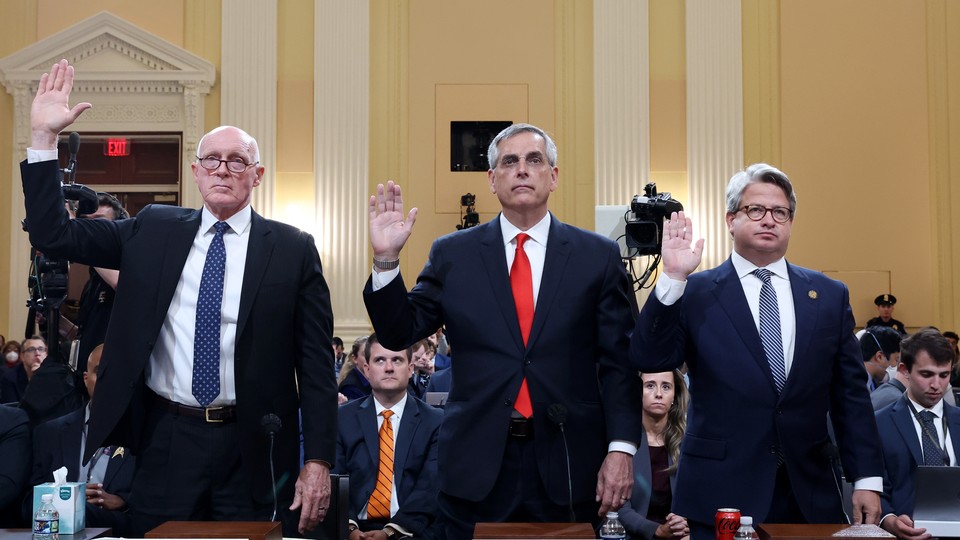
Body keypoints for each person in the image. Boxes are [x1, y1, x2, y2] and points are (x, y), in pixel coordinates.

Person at [20, 59, 337, 536]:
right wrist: (44, 141)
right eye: (212, 159)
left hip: (251, 443)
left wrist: (317, 461)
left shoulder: (293, 248)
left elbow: (315, 366)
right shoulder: (153, 229)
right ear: (196, 170)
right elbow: (53, 232)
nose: (223, 170)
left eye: (237, 161)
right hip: (166, 437)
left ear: (257, 174)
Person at [364, 123, 641, 538]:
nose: (522, 170)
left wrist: (620, 449)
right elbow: (399, 331)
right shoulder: (452, 254)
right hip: (476, 466)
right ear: (493, 180)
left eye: (535, 160)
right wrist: (386, 261)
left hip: (569, 460)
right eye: (510, 162)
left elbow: (619, 363)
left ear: (554, 175)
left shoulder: (597, 256)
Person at [629, 163, 884, 537]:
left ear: (791, 222)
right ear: (731, 220)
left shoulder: (829, 296)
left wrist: (867, 478)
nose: (769, 220)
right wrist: (671, 278)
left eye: (780, 212)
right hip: (718, 492)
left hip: (807, 491)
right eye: (755, 210)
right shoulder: (696, 291)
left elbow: (851, 397)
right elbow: (650, 358)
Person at [334, 334, 442, 539]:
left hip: (410, 531)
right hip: (352, 528)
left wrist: (391, 531)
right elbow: (335, 480)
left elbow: (430, 487)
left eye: (397, 360)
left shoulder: (435, 422)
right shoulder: (342, 418)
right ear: (366, 369)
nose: (389, 368)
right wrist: (348, 528)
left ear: (410, 368)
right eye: (380, 360)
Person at [28, 345, 135, 534]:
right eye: (99, 371)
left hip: (117, 527)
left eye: (116, 373)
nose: (106, 380)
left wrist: (123, 501)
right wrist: (64, 499)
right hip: (58, 529)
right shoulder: (49, 433)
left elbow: (156, 499)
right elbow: (28, 500)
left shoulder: (146, 435)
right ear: (86, 379)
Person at [874, 328, 959, 540]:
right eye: (926, 374)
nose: (936, 385)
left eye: (944, 375)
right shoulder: (879, 423)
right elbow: (875, 487)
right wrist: (890, 519)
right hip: (902, 533)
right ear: (904, 370)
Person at [619, 371, 689, 540]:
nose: (658, 394)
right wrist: (656, 530)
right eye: (650, 385)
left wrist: (682, 524)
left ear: (674, 396)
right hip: (631, 534)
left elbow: (697, 497)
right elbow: (618, 508)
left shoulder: (687, 442)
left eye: (666, 387)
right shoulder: (622, 442)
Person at [73, 193, 126, 374]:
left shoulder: (128, 263)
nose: (90, 229)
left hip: (111, 373)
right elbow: (84, 334)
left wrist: (86, 244)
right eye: (86, 222)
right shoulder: (92, 282)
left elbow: (122, 284)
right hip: (86, 375)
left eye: (99, 222)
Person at [0, 337, 47, 404]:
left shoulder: (55, 375)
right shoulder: (9, 378)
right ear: (22, 356)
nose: (37, 353)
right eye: (31, 349)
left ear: (46, 354)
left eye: (41, 349)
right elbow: (13, 410)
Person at [860, 327, 902, 391]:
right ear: (879, 357)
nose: (897, 366)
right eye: (896, 360)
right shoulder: (858, 387)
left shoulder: (869, 382)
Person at [340, 336, 373, 402]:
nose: (370, 358)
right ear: (355, 358)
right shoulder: (350, 387)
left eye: (373, 354)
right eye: (366, 354)